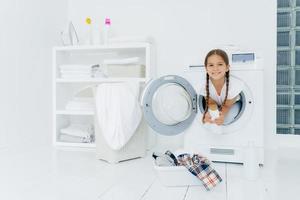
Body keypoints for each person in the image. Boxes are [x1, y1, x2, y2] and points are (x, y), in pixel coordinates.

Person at [200, 49, 244, 125]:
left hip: (232, 105)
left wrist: (222, 115)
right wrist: (212, 113)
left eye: (220, 64)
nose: (215, 68)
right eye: (211, 65)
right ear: (206, 68)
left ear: (227, 67)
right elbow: (211, 103)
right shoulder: (203, 85)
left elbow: (227, 105)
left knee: (226, 119)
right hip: (216, 105)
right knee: (208, 119)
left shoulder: (234, 85)